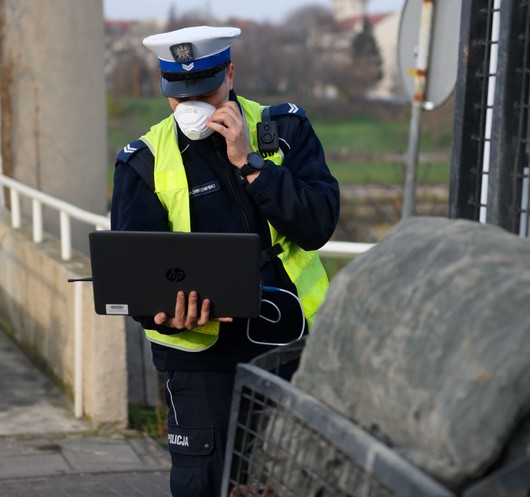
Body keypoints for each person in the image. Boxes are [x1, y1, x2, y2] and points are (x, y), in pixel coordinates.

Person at [110, 25, 340, 497]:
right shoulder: (142, 160)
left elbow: (317, 225)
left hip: (291, 347)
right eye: (180, 96)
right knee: (204, 482)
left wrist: (250, 164)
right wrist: (167, 317)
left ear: (231, 75)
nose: (193, 107)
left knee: (298, 478)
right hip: (200, 360)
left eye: (206, 93)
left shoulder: (285, 128)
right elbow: (135, 274)